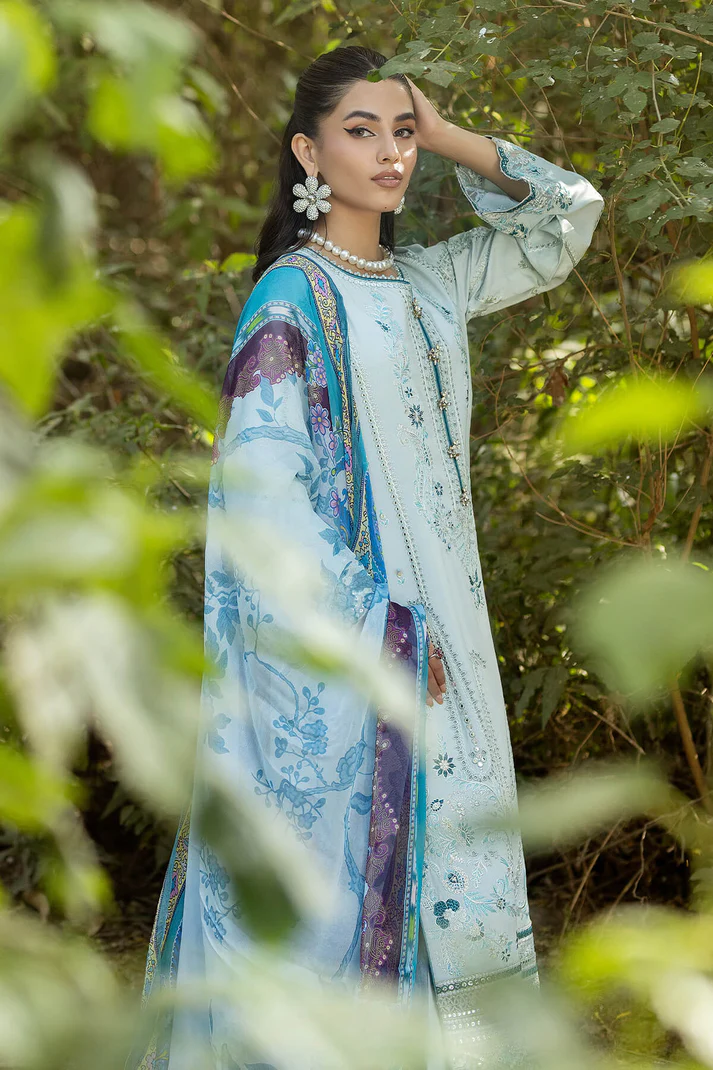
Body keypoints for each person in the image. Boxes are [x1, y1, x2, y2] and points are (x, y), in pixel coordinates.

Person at [131, 43, 605, 1070]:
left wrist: (448, 135)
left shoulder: (430, 283)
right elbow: (266, 500)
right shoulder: (290, 305)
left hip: (452, 636)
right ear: (307, 152)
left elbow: (568, 215)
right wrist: (379, 627)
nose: (390, 153)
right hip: (374, 645)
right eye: (361, 131)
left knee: (460, 863)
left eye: (401, 132)